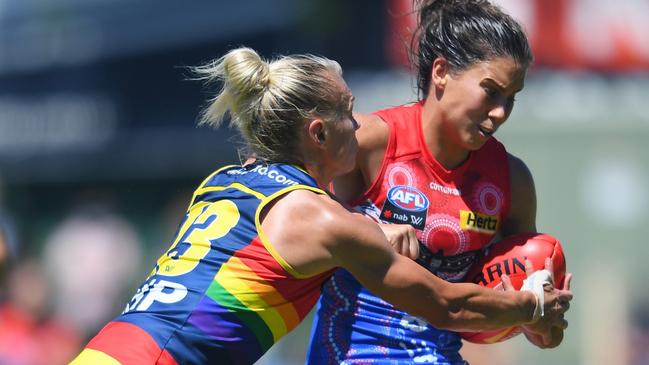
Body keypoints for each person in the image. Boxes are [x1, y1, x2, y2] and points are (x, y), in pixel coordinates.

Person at [69, 47, 570, 365]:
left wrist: (368, 229)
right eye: (349, 112)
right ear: (318, 132)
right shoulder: (324, 220)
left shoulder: (224, 181)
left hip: (106, 350)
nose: (361, 124)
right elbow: (445, 304)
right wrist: (532, 304)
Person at [307, 0, 574, 363]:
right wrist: (362, 230)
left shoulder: (512, 180)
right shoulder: (369, 141)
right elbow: (288, 205)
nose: (500, 113)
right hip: (351, 354)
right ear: (442, 71)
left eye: (511, 99)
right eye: (491, 91)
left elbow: (541, 334)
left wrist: (542, 321)